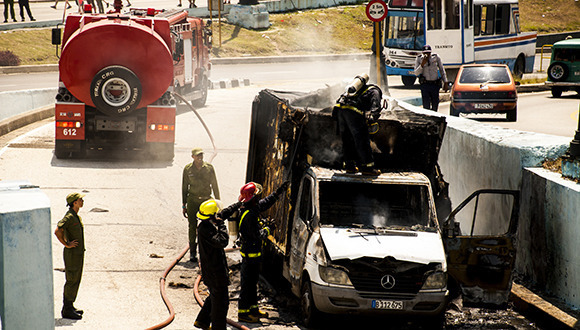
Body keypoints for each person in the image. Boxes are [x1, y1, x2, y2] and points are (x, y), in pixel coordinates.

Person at [224, 181, 288, 323]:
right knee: (247, 285)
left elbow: (264, 204)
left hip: (253, 255)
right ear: (252, 198)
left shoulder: (251, 208)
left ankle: (253, 309)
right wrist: (268, 229)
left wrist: (277, 193)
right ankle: (243, 314)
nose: (259, 198)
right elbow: (256, 236)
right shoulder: (248, 216)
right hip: (250, 256)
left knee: (253, 284)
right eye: (257, 196)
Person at [333, 73, 382, 176]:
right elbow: (375, 107)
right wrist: (373, 119)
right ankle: (367, 168)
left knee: (347, 139)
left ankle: (350, 167)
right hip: (353, 113)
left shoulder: (354, 89)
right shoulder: (375, 91)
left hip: (340, 111)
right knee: (362, 140)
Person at [194, 199, 230, 330]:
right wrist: (222, 225)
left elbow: (224, 212)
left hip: (210, 271)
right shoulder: (207, 230)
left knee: (214, 297)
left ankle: (202, 321)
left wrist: (239, 203)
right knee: (221, 303)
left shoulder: (205, 224)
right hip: (215, 272)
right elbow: (223, 241)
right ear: (212, 216)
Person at [182, 147, 220, 263]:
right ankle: (193, 253)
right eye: (197, 156)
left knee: (209, 226)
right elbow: (184, 187)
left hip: (206, 201)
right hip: (193, 200)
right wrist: (184, 205)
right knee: (192, 226)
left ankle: (207, 251)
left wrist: (218, 202)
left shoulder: (209, 168)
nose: (200, 158)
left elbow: (214, 185)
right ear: (192, 156)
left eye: (201, 155)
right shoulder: (188, 169)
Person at [54, 192, 86, 320]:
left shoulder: (75, 216)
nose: (82, 202)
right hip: (72, 254)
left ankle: (70, 305)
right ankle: (66, 309)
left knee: (76, 279)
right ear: (74, 202)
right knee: (71, 279)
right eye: (80, 200)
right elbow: (57, 231)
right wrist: (66, 244)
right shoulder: (69, 217)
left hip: (78, 253)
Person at [414, 44, 449, 111]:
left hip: (434, 84)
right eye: (425, 53)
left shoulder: (435, 57)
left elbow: (442, 69)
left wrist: (445, 82)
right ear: (422, 53)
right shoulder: (419, 59)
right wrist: (422, 64)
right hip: (425, 85)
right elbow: (416, 73)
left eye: (428, 53)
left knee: (435, 105)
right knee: (426, 106)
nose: (427, 54)